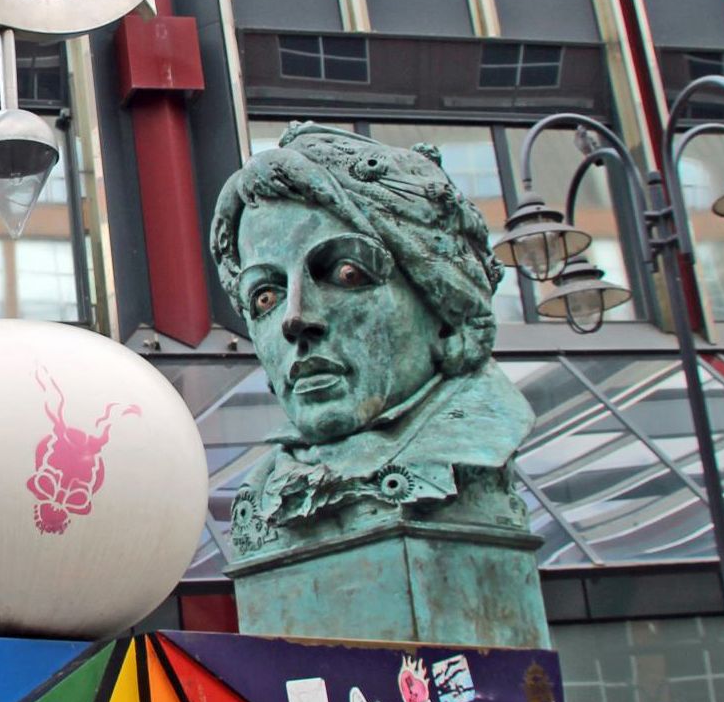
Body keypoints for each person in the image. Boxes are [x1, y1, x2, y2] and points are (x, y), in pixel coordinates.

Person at [210, 124, 534, 554]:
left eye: (347, 274)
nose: (295, 318)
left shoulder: (477, 454)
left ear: (445, 312)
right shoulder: (262, 497)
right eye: (265, 297)